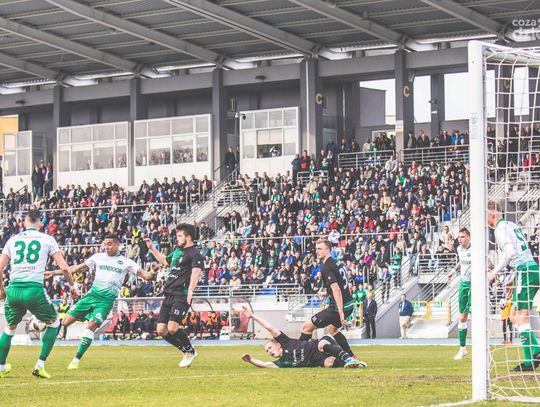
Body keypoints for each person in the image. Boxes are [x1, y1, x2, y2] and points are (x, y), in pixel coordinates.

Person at [52, 234, 156, 370]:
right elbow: (77, 268)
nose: (106, 247)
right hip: (91, 296)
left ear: (118, 245)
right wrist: (54, 273)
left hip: (105, 301)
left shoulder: (126, 262)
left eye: (110, 244)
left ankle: (75, 360)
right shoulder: (98, 257)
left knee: (92, 325)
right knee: (65, 322)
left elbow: (147, 276)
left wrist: (153, 272)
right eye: (105, 244)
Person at [0, 209, 79, 379]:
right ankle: (39, 366)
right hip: (34, 289)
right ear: (40, 223)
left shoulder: (12, 240)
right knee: (54, 323)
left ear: (24, 222)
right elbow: (64, 268)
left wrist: (1, 290)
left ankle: (1, 367)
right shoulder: (47, 239)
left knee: (9, 329)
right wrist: (73, 286)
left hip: (13, 289)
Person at [487, 201, 540, 371]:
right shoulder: (511, 225)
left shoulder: (500, 229)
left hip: (525, 272)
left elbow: (510, 253)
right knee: (513, 316)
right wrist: (514, 278)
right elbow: (521, 252)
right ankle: (533, 355)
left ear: (491, 214)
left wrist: (494, 272)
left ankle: (532, 357)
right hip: (527, 271)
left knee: (520, 317)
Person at [145, 223, 204, 368]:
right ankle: (186, 351)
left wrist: (190, 291)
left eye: (179, 236)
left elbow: (196, 272)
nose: (177, 238)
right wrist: (152, 248)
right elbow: (165, 261)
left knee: (172, 328)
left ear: (188, 237)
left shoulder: (195, 254)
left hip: (181, 295)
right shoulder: (177, 251)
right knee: (161, 330)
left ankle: (190, 351)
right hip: (169, 294)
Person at [240, 306, 366, 369]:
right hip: (318, 360)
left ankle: (349, 358)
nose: (269, 352)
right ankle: (354, 364)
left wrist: (252, 316)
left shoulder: (285, 341)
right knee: (329, 363)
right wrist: (250, 359)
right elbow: (265, 364)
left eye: (270, 348)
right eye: (267, 351)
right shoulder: (283, 362)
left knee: (322, 345)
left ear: (278, 344)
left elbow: (270, 327)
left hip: (318, 345)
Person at [299, 239, 356, 357]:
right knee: (332, 329)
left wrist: (340, 311)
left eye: (320, 249)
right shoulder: (338, 263)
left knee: (306, 327)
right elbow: (342, 284)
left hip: (338, 308)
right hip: (349, 304)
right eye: (316, 249)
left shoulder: (325, 267)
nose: (317, 251)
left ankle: (300, 356)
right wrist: (328, 292)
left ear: (328, 250)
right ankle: (351, 356)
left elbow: (336, 289)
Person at [447, 228, 472, 360]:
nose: (460, 239)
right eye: (459, 237)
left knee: (476, 316)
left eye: (462, 237)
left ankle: (481, 348)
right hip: (464, 284)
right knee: (462, 317)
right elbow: (461, 262)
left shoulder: (476, 249)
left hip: (475, 285)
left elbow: (489, 263)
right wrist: (453, 271)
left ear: (468, 237)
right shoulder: (459, 249)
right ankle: (462, 349)